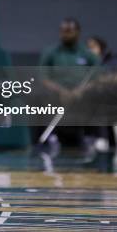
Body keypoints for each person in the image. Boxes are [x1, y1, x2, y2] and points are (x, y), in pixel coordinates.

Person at [38, 18, 100, 148]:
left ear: (77, 32)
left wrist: (81, 91)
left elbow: (98, 77)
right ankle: (50, 137)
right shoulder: (51, 52)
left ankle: (92, 137)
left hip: (82, 95)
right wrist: (62, 92)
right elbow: (44, 78)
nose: (65, 34)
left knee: (99, 96)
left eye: (69, 31)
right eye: (62, 31)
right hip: (56, 95)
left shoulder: (87, 54)